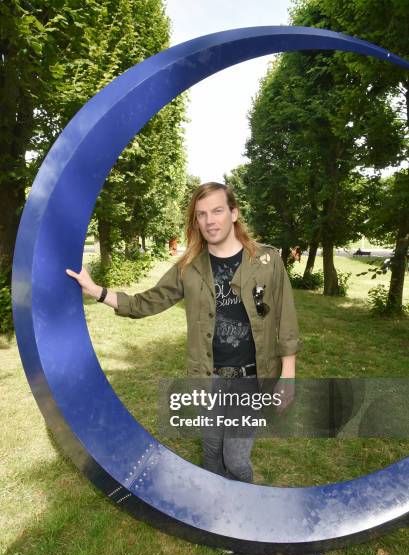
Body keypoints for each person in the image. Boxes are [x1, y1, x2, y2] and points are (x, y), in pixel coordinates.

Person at [66, 181, 301, 482]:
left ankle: (247, 511)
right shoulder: (189, 267)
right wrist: (98, 291)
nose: (209, 220)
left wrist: (288, 375)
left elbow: (286, 319)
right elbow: (145, 302)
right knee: (212, 452)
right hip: (209, 376)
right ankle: (216, 513)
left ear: (233, 213)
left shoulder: (267, 260)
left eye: (217, 211)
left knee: (236, 458)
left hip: (251, 379)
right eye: (201, 214)